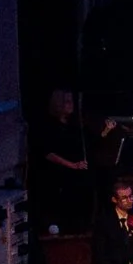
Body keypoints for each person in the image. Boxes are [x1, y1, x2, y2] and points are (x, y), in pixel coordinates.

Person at [29, 88, 101, 232]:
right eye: (67, 102)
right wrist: (72, 165)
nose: (71, 105)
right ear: (58, 104)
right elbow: (48, 153)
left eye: (71, 101)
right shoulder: (50, 127)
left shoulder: (73, 126)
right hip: (60, 178)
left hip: (77, 177)